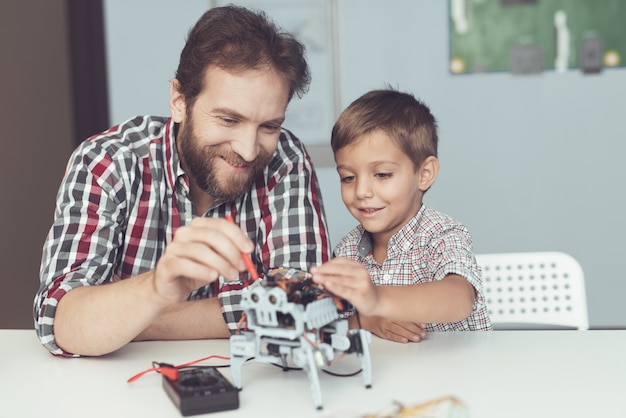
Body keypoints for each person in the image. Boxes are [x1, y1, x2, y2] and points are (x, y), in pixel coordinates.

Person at [34, 5, 331, 357]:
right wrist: (158, 288)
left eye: (269, 126)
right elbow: (63, 322)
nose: (249, 151)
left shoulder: (285, 160)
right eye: (228, 120)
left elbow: (299, 308)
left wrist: (134, 317)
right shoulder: (109, 162)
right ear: (179, 101)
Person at [311, 88, 491, 342]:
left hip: (455, 375)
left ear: (424, 173)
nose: (361, 191)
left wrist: (377, 299)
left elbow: (460, 299)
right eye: (348, 177)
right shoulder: (346, 251)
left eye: (382, 174)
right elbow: (329, 327)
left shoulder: (443, 234)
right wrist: (366, 320)